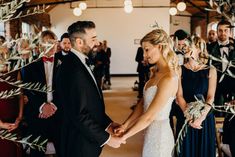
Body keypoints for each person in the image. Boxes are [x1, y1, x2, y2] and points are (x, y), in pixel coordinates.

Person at [56, 21, 125, 157]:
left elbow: (91, 104)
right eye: (93, 39)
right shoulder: (72, 69)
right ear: (79, 42)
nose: (97, 43)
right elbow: (79, 114)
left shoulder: (81, 62)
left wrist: (108, 124)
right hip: (78, 144)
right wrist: (108, 139)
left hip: (86, 140)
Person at [115, 29, 179, 157]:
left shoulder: (169, 77)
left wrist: (125, 136)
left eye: (147, 49)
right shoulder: (155, 72)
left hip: (160, 136)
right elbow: (143, 103)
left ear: (159, 47)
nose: (144, 55)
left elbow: (149, 116)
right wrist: (124, 125)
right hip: (150, 133)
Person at [22, 30, 62, 157]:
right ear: (40, 46)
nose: (50, 46)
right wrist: (42, 107)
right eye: (46, 43)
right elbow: (28, 90)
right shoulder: (30, 65)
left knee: (62, 150)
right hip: (37, 114)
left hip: (59, 113)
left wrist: (53, 107)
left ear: (57, 45)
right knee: (37, 152)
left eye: (52, 43)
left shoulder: (65, 65)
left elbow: (67, 91)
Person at [176, 36, 217, 157]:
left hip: (204, 119)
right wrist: (189, 117)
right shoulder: (179, 70)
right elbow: (179, 96)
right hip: (185, 117)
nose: (185, 48)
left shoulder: (211, 70)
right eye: (184, 46)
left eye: (189, 46)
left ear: (198, 49)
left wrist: (201, 117)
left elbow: (210, 97)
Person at [209, 20, 235, 157]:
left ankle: (227, 147)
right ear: (217, 31)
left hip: (233, 92)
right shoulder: (209, 48)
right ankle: (214, 146)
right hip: (215, 90)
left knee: (231, 122)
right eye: (220, 30)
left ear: (230, 32)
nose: (223, 33)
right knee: (214, 120)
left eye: (226, 30)